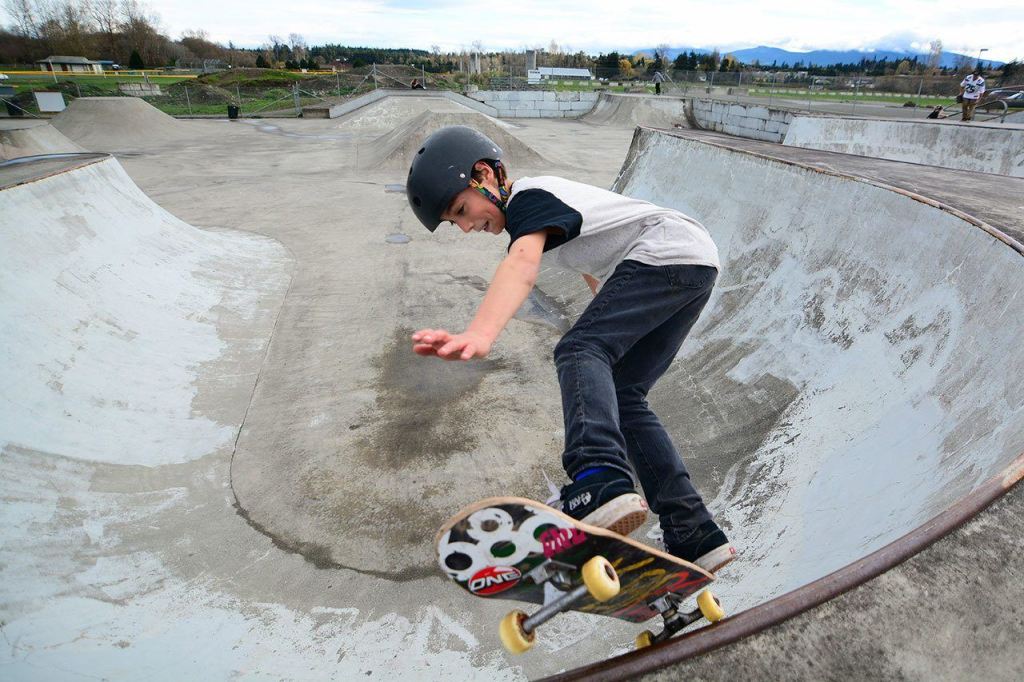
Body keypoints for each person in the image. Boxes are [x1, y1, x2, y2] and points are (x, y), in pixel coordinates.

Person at [405, 126, 737, 573]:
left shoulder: (529, 199)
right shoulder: (548, 215)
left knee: (577, 350)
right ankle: (693, 531)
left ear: (485, 174)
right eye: (455, 222)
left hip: (666, 253)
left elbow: (520, 266)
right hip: (689, 266)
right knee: (623, 395)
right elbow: (599, 268)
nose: (466, 227)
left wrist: (479, 334)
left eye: (463, 210)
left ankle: (599, 478)